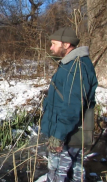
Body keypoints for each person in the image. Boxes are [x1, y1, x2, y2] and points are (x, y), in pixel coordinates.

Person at [41, 27, 98, 182]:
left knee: (60, 176)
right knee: (73, 172)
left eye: (54, 44)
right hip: (68, 132)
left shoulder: (77, 67)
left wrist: (58, 137)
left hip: (69, 135)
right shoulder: (70, 64)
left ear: (66, 45)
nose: (51, 47)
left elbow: (72, 107)